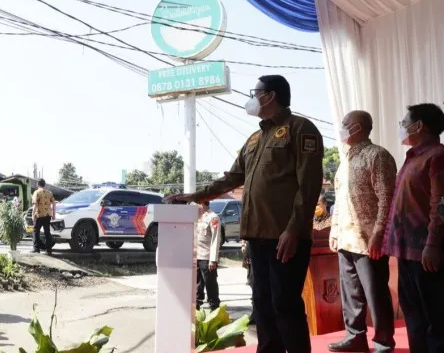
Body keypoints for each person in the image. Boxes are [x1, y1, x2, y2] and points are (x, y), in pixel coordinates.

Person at [165, 75, 323, 353]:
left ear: (270, 96)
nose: (252, 98)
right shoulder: (255, 138)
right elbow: (232, 178)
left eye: (256, 92)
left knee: (285, 304)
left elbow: (309, 186)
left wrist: (294, 230)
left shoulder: (300, 129)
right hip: (257, 236)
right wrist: (196, 195)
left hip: (285, 236)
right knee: (262, 303)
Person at [328, 110, 397, 352]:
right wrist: (334, 230)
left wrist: (379, 234)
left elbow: (387, 199)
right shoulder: (345, 159)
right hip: (347, 238)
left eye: (345, 124)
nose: (342, 128)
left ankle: (383, 340)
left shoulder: (377, 155)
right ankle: (355, 335)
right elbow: (339, 199)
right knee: (351, 292)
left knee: (375, 291)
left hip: (369, 239)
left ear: (357, 128)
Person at [382, 103, 444, 353]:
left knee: (435, 321)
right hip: (407, 252)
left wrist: (432, 244)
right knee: (414, 318)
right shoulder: (413, 158)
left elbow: (440, 205)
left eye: (404, 122)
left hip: (427, 254)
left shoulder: (438, 156)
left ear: (419, 126)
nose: (401, 127)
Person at [195, 201, 221, 311]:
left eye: (197, 203)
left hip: (206, 257)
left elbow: (215, 239)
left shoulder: (213, 218)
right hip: (196, 256)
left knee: (210, 284)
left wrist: (213, 259)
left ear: (202, 203)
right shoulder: (195, 217)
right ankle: (196, 307)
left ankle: (214, 306)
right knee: (197, 286)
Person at [32, 179, 55, 255]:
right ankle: (48, 250)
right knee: (47, 232)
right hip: (48, 215)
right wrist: (54, 214)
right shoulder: (49, 193)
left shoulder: (36, 192)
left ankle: (36, 249)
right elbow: (54, 203)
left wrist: (33, 214)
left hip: (39, 214)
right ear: (44, 184)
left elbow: (35, 204)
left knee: (36, 231)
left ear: (38, 184)